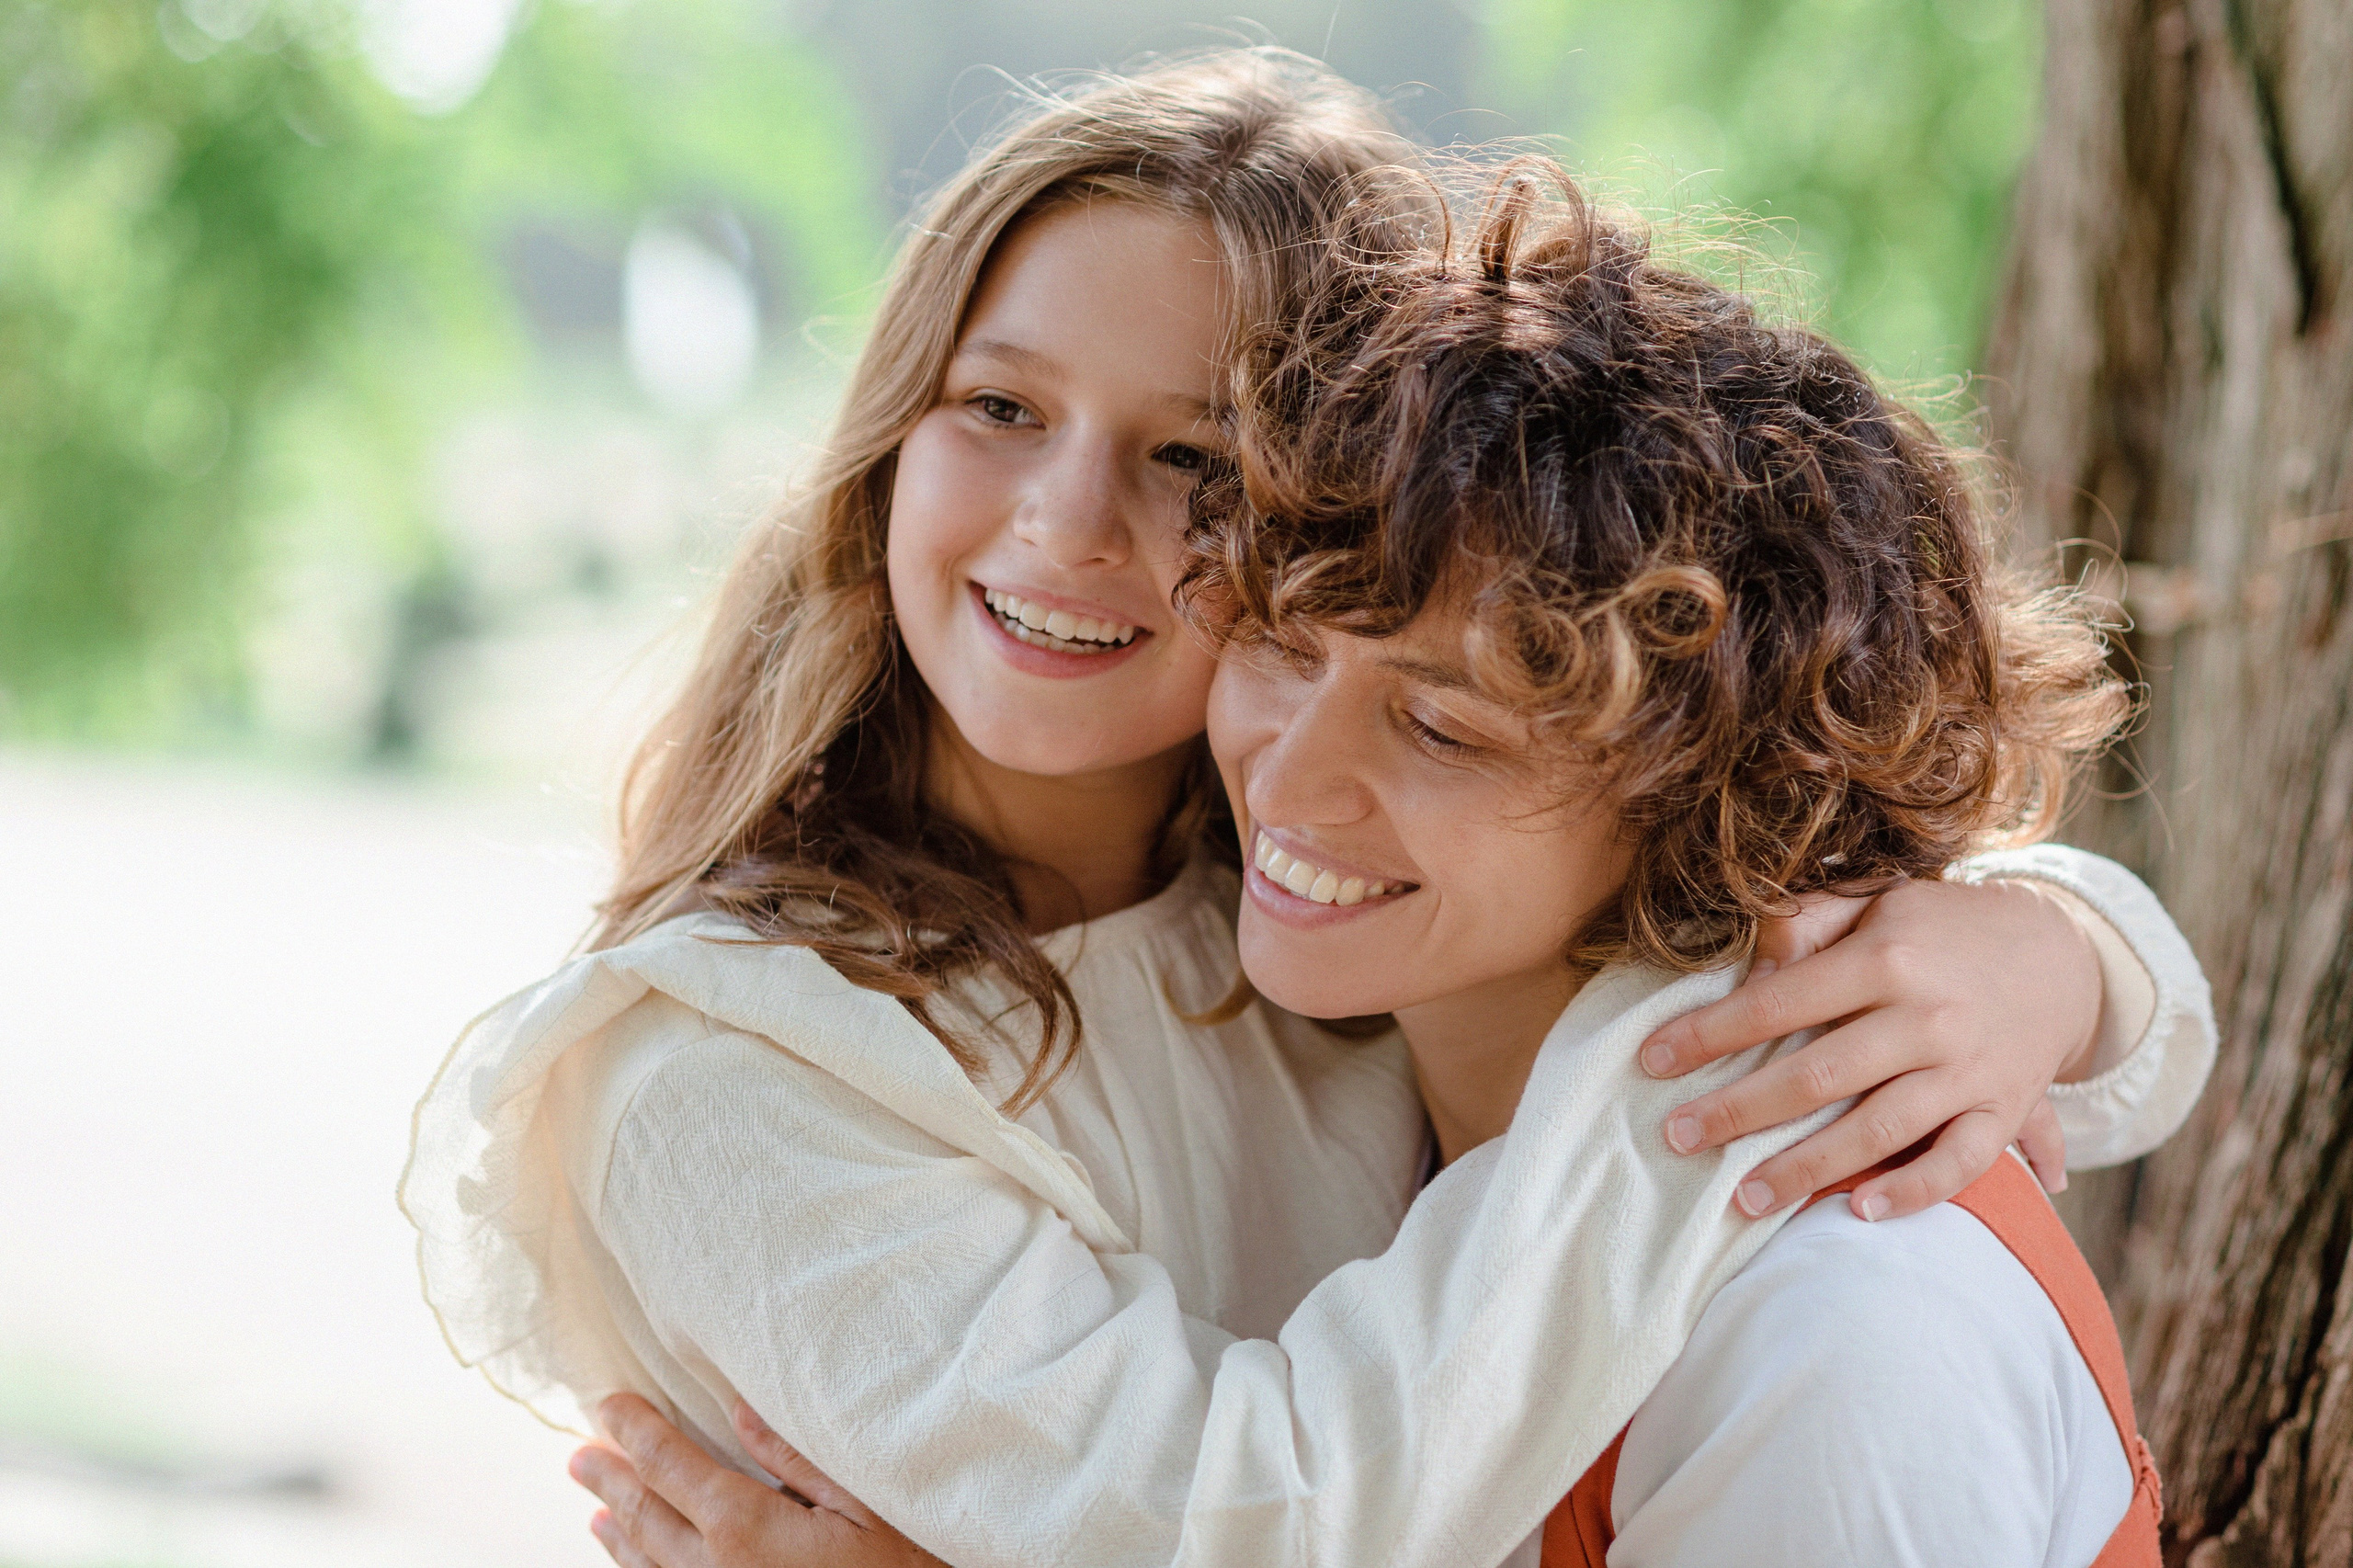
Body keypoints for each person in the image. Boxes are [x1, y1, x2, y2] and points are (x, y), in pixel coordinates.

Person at [404, 54, 2211, 1568]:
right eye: (996, 405)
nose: (1062, 524)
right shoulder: (735, 1063)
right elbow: (1236, 1505)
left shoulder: (1328, 936)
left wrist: (2042, 950)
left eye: (1193, 459)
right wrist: (1744, 1049)